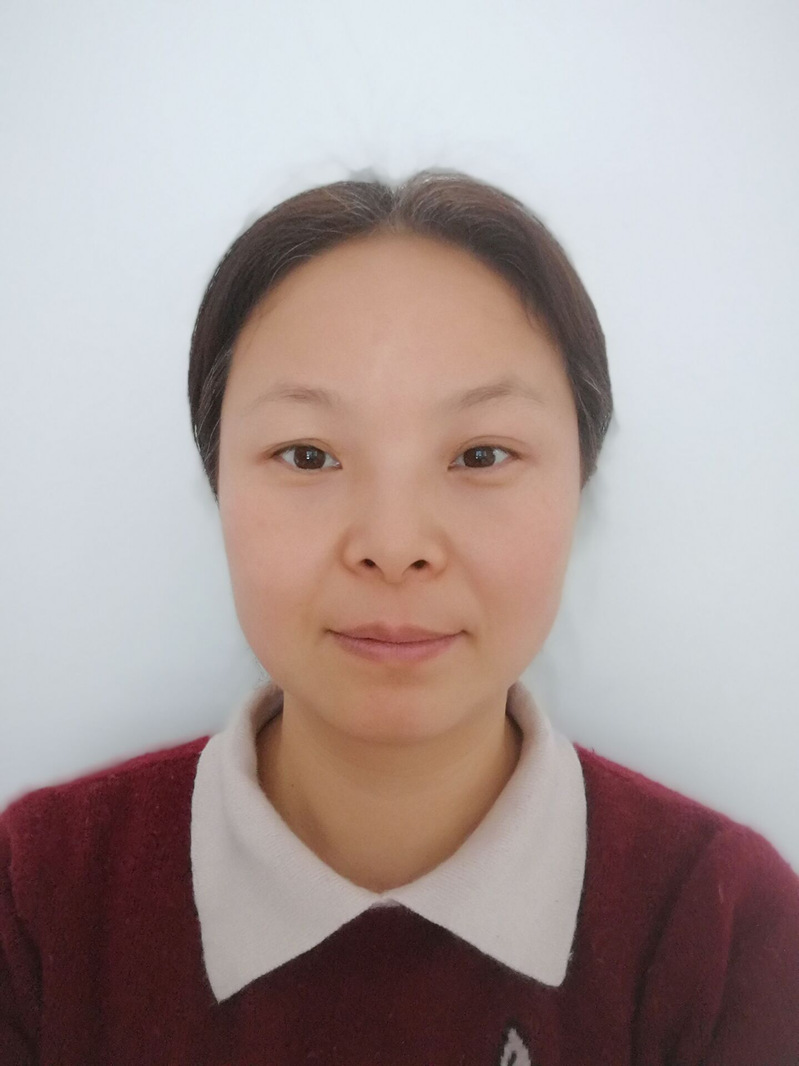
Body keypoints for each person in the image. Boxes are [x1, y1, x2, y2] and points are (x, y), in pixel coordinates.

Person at [1, 168, 797, 1065]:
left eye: (480, 454)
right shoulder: (37, 900)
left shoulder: (725, 932)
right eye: (307, 455)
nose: (392, 545)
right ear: (216, 479)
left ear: (580, 484)